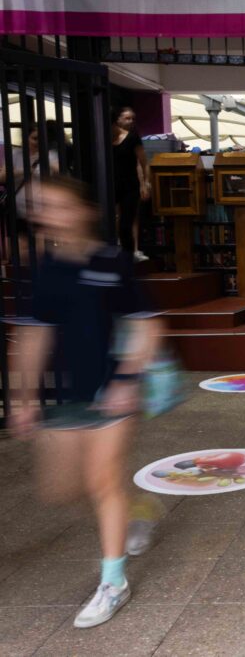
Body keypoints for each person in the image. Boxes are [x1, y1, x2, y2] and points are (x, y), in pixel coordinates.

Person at [6, 176, 161, 628]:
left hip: (113, 390)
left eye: (59, 205)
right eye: (43, 207)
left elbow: (147, 324)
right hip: (65, 395)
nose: (49, 215)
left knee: (102, 480)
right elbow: (33, 336)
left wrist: (127, 379)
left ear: (83, 211)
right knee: (63, 490)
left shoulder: (113, 262)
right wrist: (23, 397)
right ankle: (136, 512)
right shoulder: (44, 269)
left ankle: (113, 583)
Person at [110, 107, 151, 261]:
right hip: (112, 184)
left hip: (129, 184)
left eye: (132, 118)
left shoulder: (132, 138)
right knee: (114, 217)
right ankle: (118, 248)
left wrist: (145, 183)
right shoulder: (105, 139)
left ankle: (130, 252)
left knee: (128, 219)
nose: (131, 121)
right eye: (127, 118)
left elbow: (143, 162)